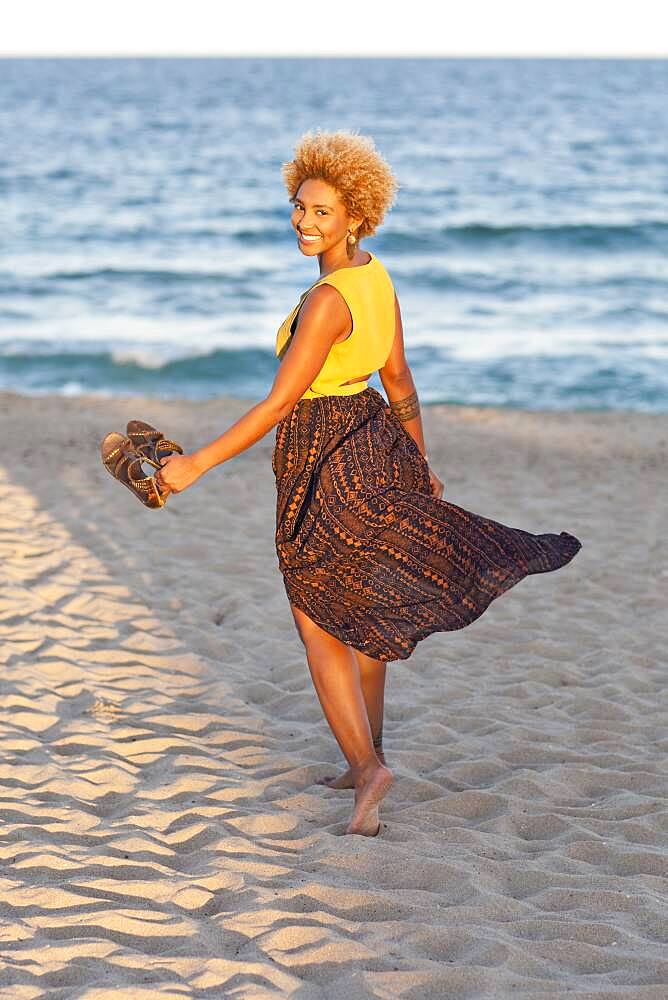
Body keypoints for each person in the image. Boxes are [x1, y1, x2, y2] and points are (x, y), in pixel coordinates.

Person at [156, 128, 582, 838]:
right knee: (366, 607)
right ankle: (368, 759)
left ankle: (368, 767)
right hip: (374, 439)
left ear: (356, 217)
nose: (304, 222)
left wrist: (194, 463)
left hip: (326, 457)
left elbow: (278, 404)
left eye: (321, 212)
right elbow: (399, 380)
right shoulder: (376, 276)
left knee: (317, 618)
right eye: (298, 207)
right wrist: (419, 464)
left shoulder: (326, 301)